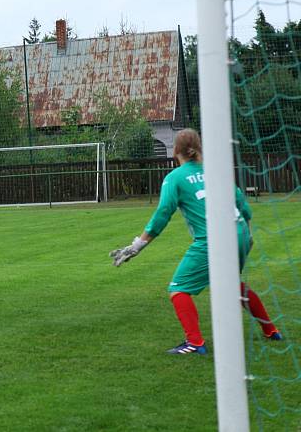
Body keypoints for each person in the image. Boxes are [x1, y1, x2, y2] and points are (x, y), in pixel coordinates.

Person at [109, 129, 282, 355]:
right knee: (231, 284)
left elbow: (163, 213)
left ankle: (195, 343)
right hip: (239, 232)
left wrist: (138, 245)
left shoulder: (175, 177)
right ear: (199, 148)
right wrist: (247, 236)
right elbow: (242, 205)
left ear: (175, 151)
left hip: (213, 239)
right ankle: (271, 330)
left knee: (178, 288)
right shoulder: (216, 172)